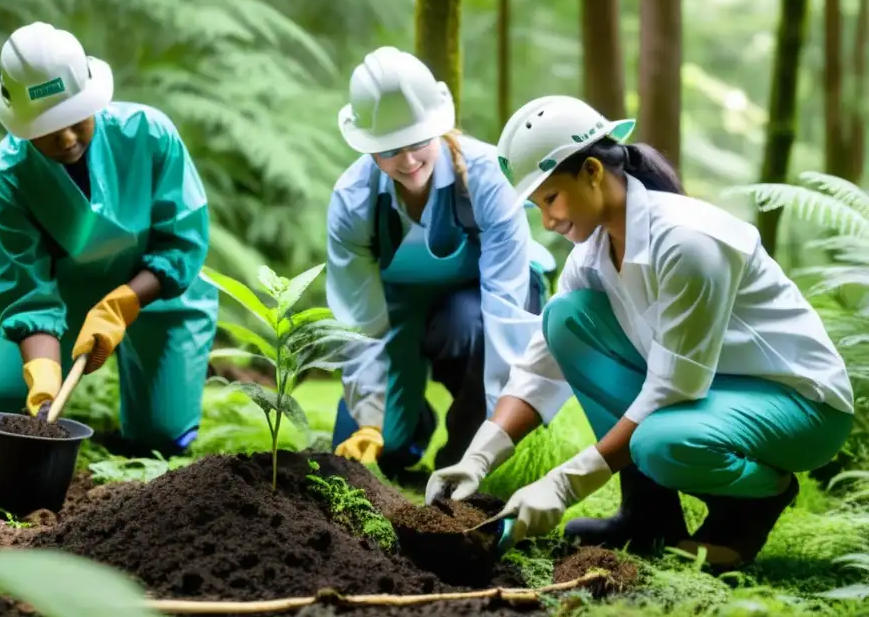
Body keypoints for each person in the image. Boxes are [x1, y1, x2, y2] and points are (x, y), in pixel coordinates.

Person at [425, 95, 855, 569]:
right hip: (714, 390)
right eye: (537, 206)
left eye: (550, 198)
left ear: (592, 171)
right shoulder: (591, 254)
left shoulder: (689, 241)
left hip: (798, 405)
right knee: (565, 319)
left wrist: (566, 483)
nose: (547, 221)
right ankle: (648, 516)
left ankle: (753, 506)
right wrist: (478, 458)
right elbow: (541, 366)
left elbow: (673, 387)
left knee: (660, 442)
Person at [0, 21, 219, 456]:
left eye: (74, 118)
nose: (66, 138)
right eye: (47, 128)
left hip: (159, 291)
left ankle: (155, 412)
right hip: (66, 295)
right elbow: (27, 288)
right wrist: (43, 372)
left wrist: (120, 305)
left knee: (161, 436)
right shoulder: (9, 174)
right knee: (5, 401)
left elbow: (181, 242)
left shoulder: (150, 132)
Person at [327, 46, 557, 478]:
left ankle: (464, 448)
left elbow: (504, 310)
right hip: (403, 311)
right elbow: (359, 321)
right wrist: (371, 417)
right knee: (378, 447)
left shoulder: (488, 177)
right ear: (368, 148)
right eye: (390, 149)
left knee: (467, 322)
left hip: (482, 308)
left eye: (417, 143)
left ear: (437, 128)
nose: (408, 161)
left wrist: (497, 433)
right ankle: (411, 427)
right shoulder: (352, 200)